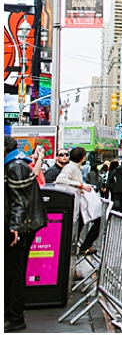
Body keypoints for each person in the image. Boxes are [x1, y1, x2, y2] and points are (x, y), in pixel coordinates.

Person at [5, 135, 47, 332]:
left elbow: (20, 200)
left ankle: (14, 317)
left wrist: (15, 227)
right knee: (10, 272)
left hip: (21, 228)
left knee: (14, 273)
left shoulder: (15, 166)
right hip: (21, 226)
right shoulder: (16, 163)